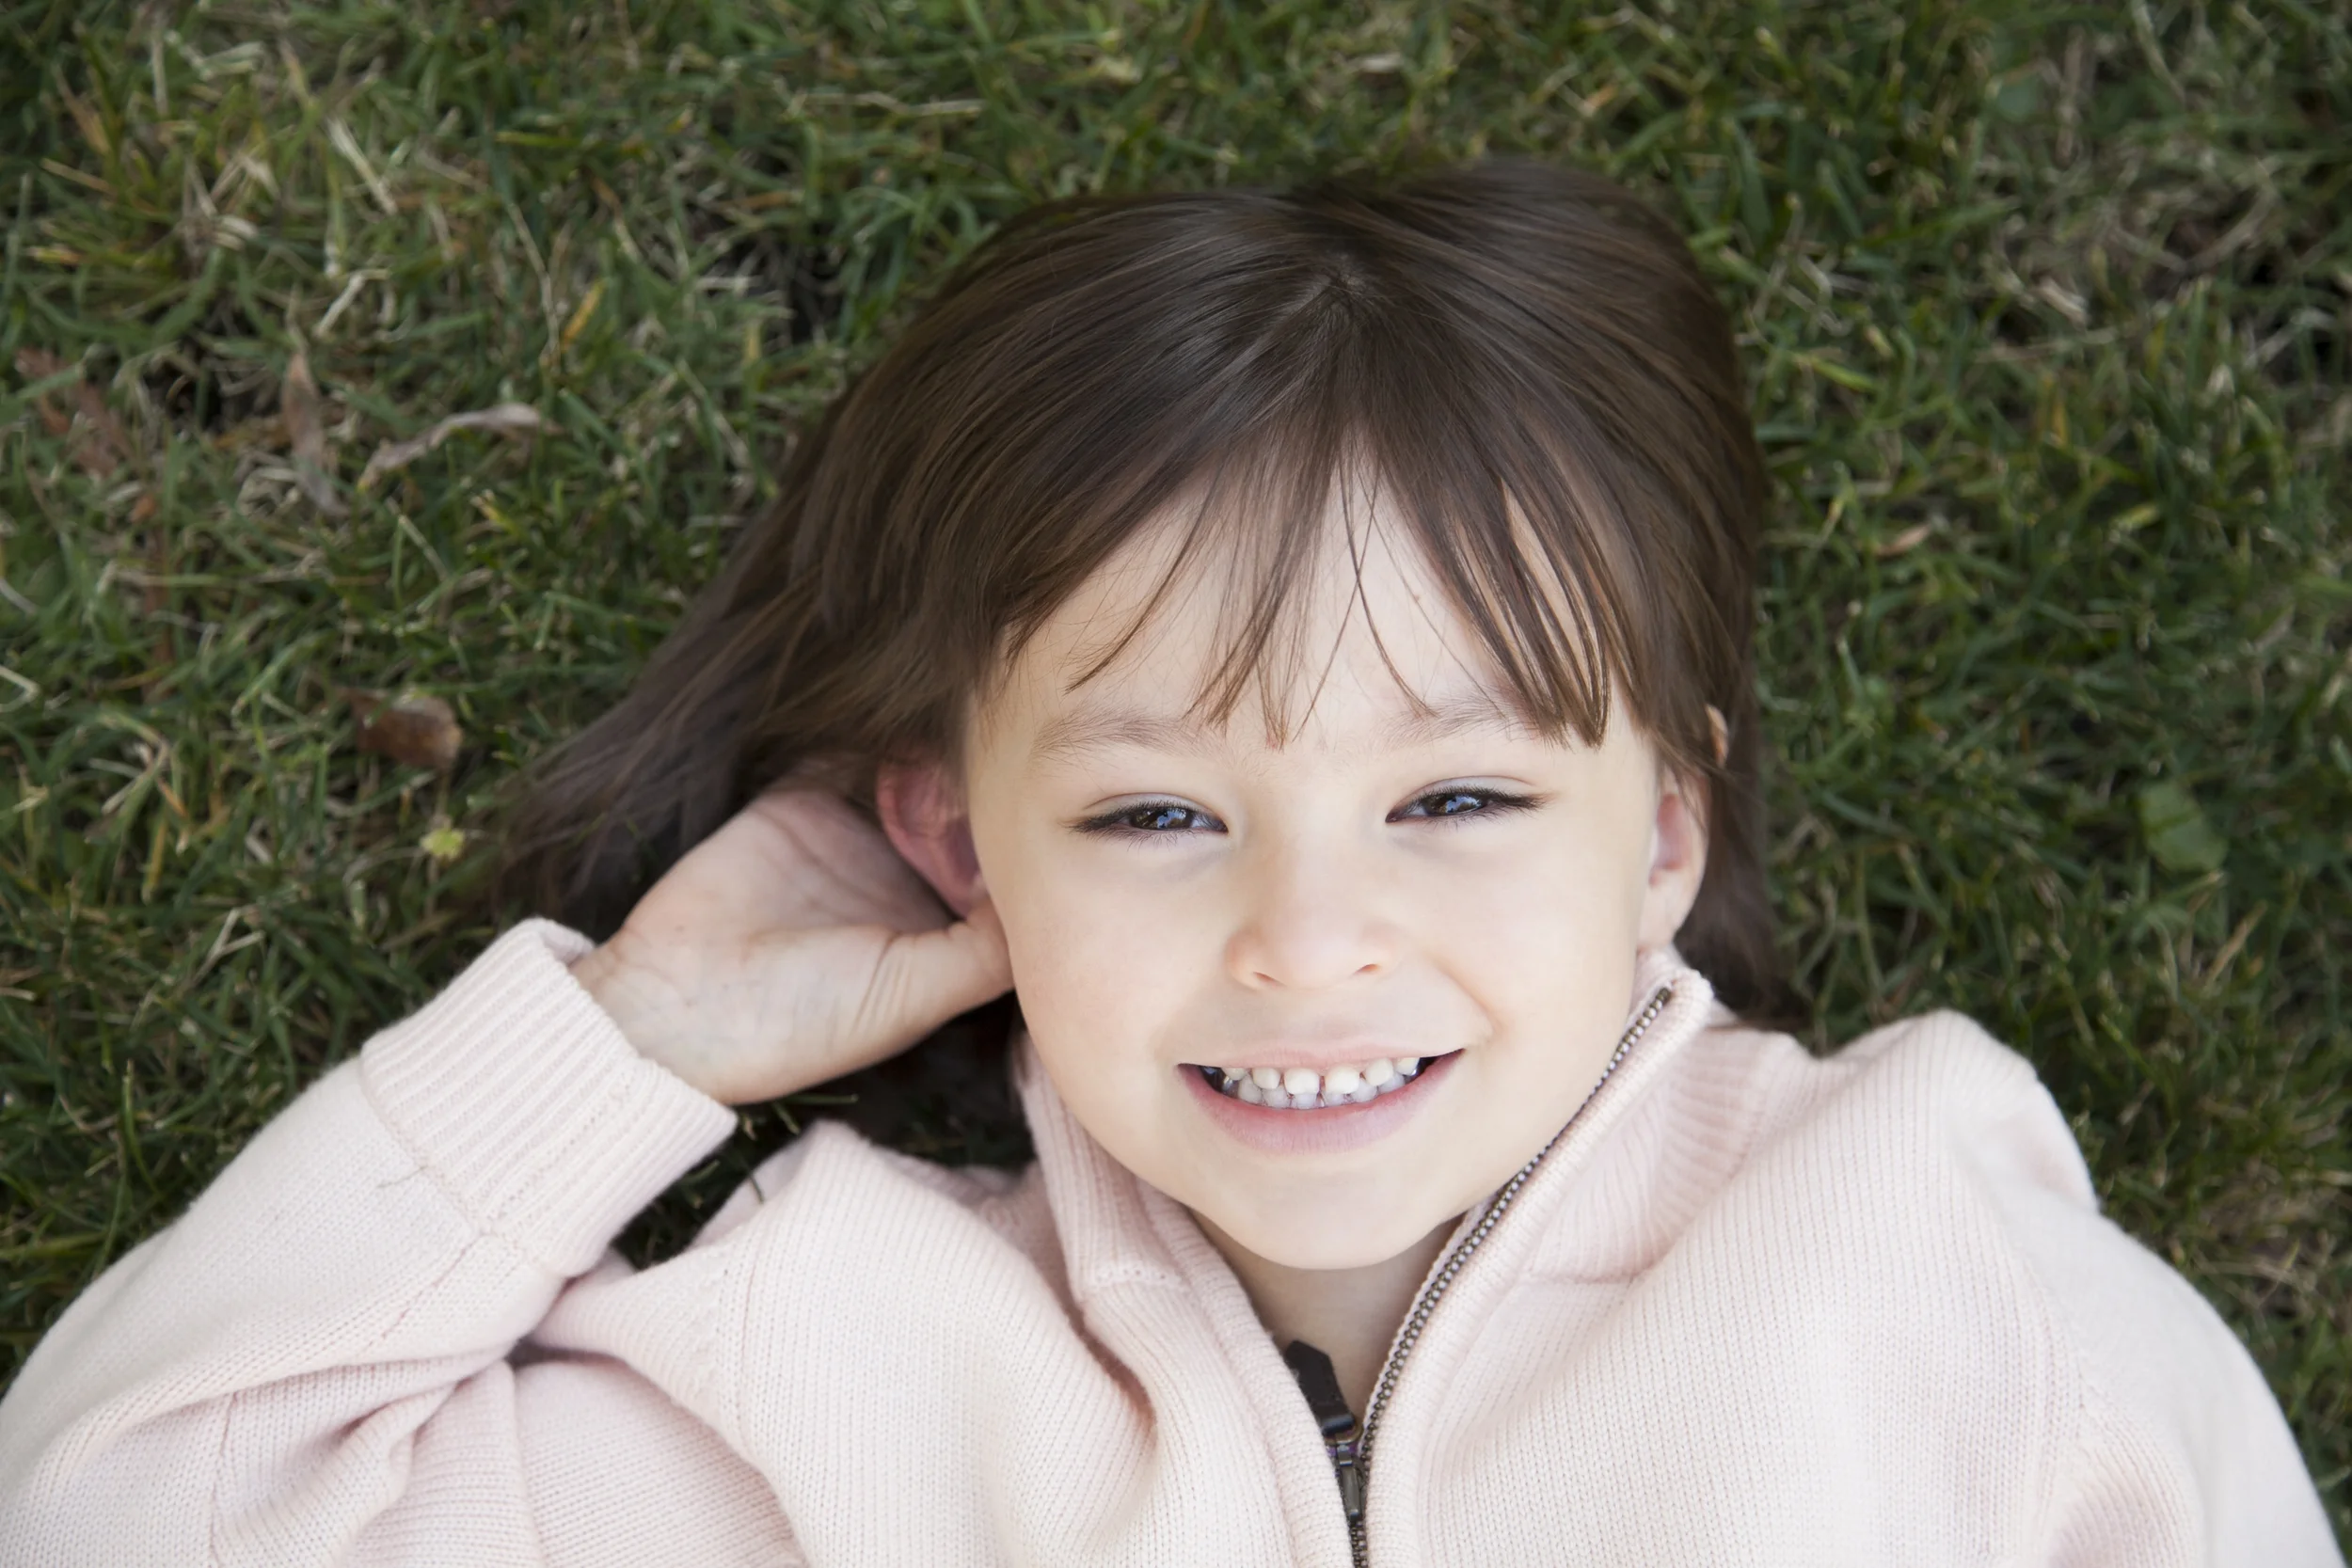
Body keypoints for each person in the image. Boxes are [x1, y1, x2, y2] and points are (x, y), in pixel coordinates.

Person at [0, 162, 2335, 1567]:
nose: (1306, 939)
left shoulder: (1927, 1266)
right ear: (957, 842)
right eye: (1148, 812)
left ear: (1662, 831)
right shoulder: (826, 1366)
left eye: (1456, 797)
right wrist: (625, 1048)